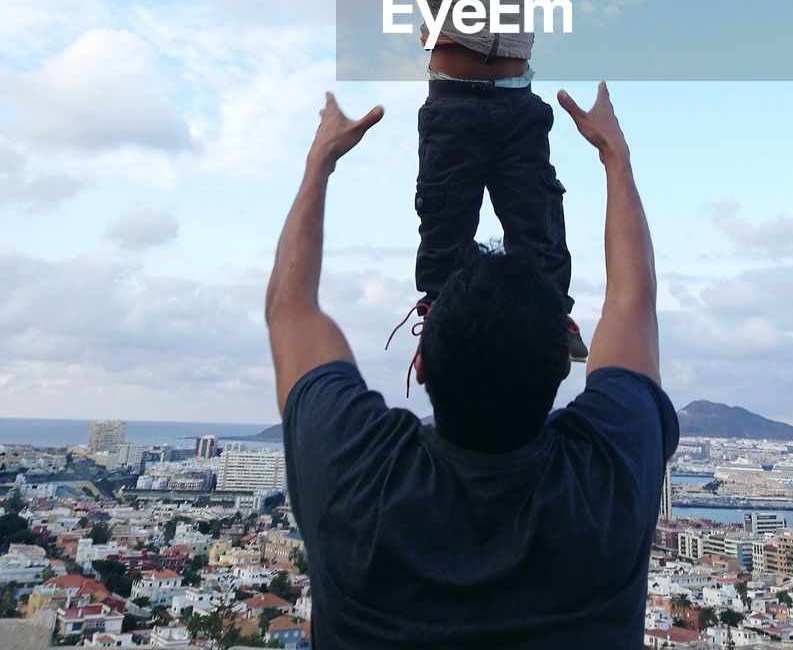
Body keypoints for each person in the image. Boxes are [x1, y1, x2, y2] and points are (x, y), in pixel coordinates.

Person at [267, 83, 679, 650]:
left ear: (424, 364)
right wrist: (614, 155)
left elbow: (291, 309)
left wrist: (320, 164)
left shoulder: (358, 483)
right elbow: (631, 301)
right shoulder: (604, 487)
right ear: (565, 363)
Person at [363, 0, 627, 359]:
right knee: (445, 208)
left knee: (537, 208)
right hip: (452, 107)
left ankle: (552, 310)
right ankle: (440, 302)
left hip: (516, 105)